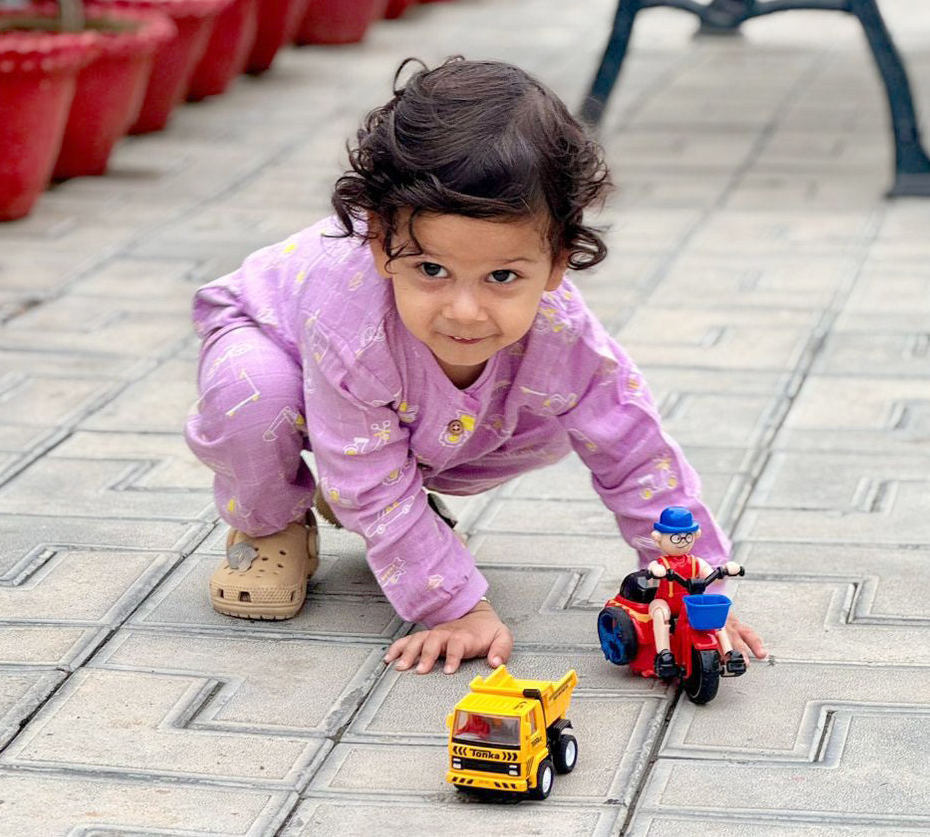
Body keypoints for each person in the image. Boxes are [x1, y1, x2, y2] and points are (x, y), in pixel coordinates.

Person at [185, 57, 768, 675]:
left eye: (502, 276)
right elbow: (369, 477)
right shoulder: (351, 324)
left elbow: (635, 450)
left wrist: (695, 588)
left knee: (559, 414)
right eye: (431, 270)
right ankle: (272, 524)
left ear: (558, 262)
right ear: (381, 242)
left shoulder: (560, 332)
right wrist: (454, 605)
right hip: (272, 342)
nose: (465, 311)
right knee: (257, 395)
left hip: (412, 411)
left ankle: (387, 499)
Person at [646, 506, 744, 678]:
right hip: (666, 601)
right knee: (661, 613)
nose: (683, 540)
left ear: (695, 536)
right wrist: (656, 571)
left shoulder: (695, 562)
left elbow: (712, 574)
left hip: (691, 602)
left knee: (714, 618)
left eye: (687, 536)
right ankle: (664, 654)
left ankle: (729, 653)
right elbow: (653, 569)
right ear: (659, 538)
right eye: (677, 537)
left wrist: (726, 570)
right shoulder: (662, 562)